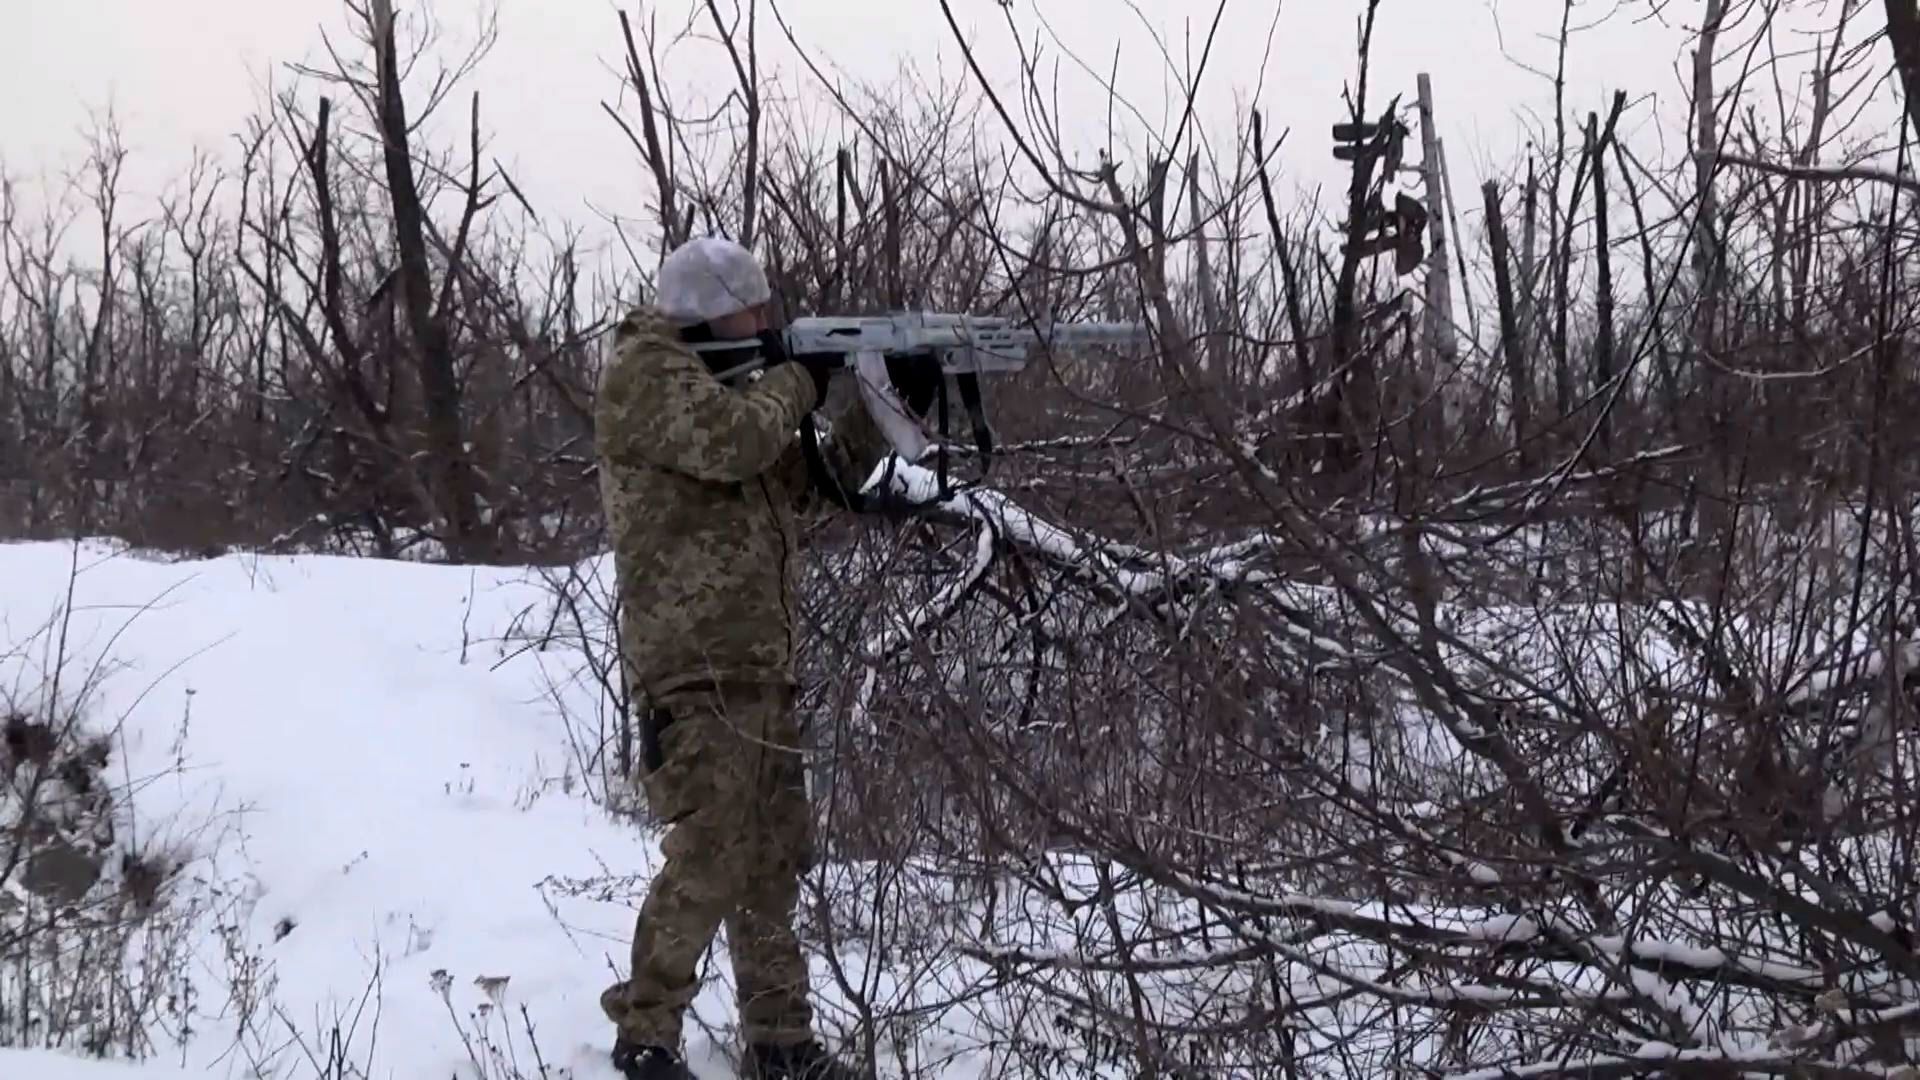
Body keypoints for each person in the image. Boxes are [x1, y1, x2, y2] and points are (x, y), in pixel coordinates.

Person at [592, 235, 925, 1080]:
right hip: (695, 663)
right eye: (755, 310)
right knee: (709, 849)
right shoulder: (649, 373)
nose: (768, 321)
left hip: (759, 661)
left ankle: (780, 1042)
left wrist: (883, 397)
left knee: (772, 853)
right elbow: (737, 441)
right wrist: (802, 374)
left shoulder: (740, 387)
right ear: (714, 313)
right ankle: (645, 1035)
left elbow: (822, 479)